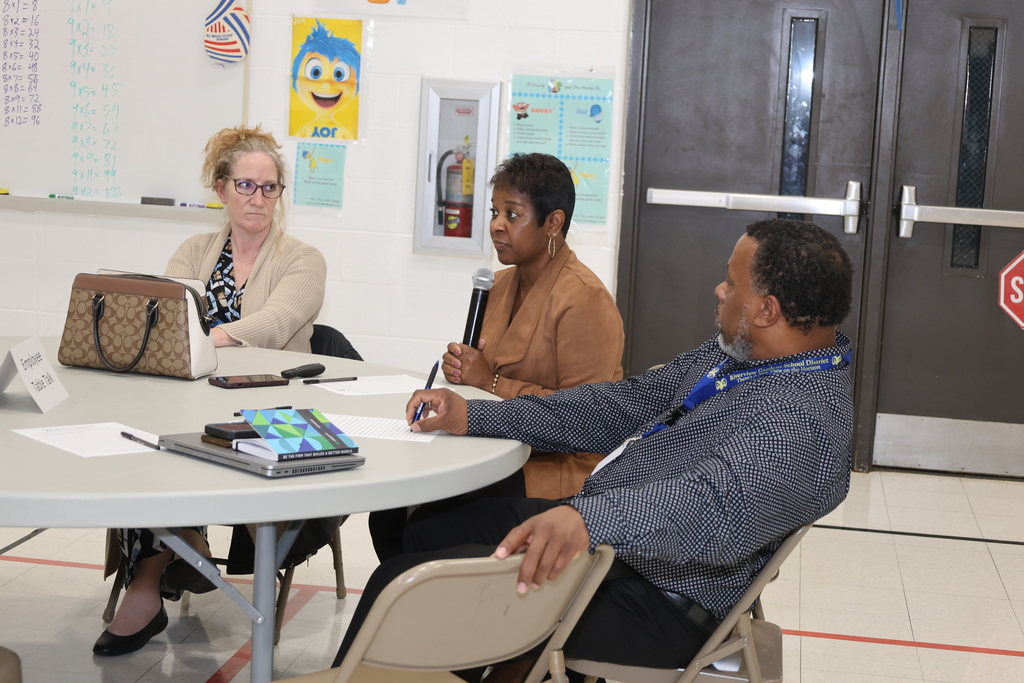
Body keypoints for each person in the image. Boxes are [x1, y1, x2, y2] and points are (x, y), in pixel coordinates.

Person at [333, 219, 854, 679]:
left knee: (403, 584)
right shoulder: (741, 358)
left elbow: (707, 503)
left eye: (731, 282)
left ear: (767, 309)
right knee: (424, 525)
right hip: (613, 542)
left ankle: (492, 652)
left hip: (661, 597)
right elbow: (621, 406)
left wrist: (586, 522)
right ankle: (491, 661)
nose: (719, 291)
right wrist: (477, 414)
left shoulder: (805, 424)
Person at [93, 125, 329, 657]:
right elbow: (164, 323)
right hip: (193, 403)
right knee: (146, 444)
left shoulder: (304, 259)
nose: (258, 198)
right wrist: (191, 343)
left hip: (271, 411)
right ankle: (161, 570)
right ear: (221, 189)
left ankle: (177, 560)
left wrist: (207, 336)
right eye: (246, 185)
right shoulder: (192, 251)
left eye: (269, 188)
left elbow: (276, 321)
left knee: (193, 445)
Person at [368, 153, 624, 560]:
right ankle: (422, 606)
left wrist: (488, 382)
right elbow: (479, 375)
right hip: (492, 442)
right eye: (494, 211)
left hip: (556, 468)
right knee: (386, 513)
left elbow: (588, 419)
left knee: (427, 526)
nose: (495, 225)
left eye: (512, 214)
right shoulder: (498, 284)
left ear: (553, 223)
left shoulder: (585, 302)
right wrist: (458, 372)